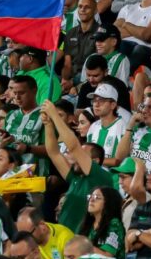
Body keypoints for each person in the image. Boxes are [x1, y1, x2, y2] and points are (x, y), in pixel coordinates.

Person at [42, 99, 114, 232]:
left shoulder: (100, 176)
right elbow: (54, 153)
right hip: (64, 237)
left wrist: (55, 116)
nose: (76, 156)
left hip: (83, 241)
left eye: (82, 153)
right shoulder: (76, 178)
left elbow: (74, 146)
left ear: (96, 161)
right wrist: (48, 124)